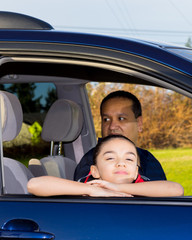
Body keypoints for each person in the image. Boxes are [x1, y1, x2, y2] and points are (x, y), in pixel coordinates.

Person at [27, 135, 184, 197]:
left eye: (129, 159)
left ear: (136, 171)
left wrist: (118, 188)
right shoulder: (87, 186)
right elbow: (35, 184)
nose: (121, 162)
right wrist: (94, 190)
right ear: (94, 171)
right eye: (110, 157)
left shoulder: (142, 186)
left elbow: (176, 190)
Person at [74, 90, 166, 182]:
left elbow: (166, 192)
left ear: (139, 123)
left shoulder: (149, 159)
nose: (112, 126)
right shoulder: (92, 159)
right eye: (106, 119)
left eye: (121, 119)